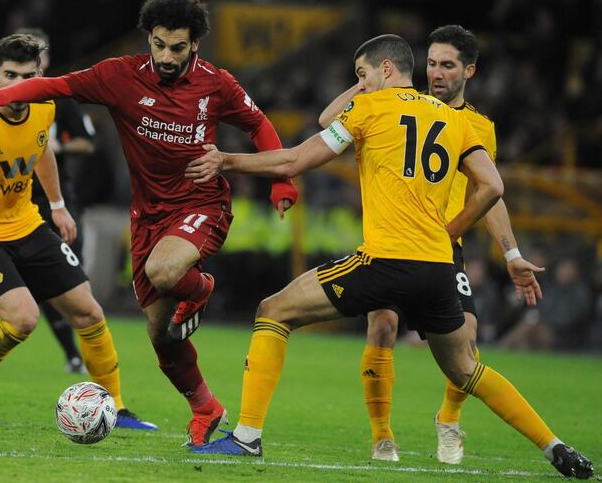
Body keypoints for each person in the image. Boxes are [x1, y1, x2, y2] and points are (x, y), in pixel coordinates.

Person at [184, 34, 594, 479]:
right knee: (465, 369)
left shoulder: (369, 110)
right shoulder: (456, 120)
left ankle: (246, 437)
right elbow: (493, 187)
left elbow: (294, 161)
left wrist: (227, 160)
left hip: (384, 261)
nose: (359, 85)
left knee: (273, 311)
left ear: (384, 70)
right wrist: (453, 231)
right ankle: (554, 446)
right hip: (439, 266)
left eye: (362, 75)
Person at [0, 0, 298, 446]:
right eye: (159, 44)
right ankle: (205, 408)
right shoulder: (119, 76)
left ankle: (201, 287)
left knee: (165, 271)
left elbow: (259, 125)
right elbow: (58, 85)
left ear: (196, 45)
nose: (167, 56)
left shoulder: (217, 83)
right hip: (148, 218)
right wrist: (2, 94)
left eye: (178, 47)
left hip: (201, 205)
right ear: (148, 38)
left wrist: (282, 180)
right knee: (163, 336)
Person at [317, 25, 547, 464]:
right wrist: (366, 79)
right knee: (381, 325)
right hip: (391, 239)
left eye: (447, 65)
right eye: (431, 63)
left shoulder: (476, 125)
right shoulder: (393, 102)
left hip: (442, 245)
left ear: (470, 71)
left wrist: (511, 253)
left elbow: (490, 191)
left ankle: (448, 421)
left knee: (469, 337)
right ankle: (382, 436)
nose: (436, 73)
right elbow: (329, 122)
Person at [0, 34, 155, 431]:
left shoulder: (44, 105)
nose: (18, 85)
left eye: (28, 76)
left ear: (39, 75)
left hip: (27, 223)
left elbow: (42, 149)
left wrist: (57, 206)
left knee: (89, 311)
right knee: (23, 320)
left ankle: (115, 407)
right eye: (10, 75)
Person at [17, 27, 95, 375]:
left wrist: (55, 146)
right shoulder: (0, 97)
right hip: (15, 202)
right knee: (41, 284)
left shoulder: (58, 99)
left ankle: (84, 353)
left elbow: (87, 142)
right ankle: (75, 355)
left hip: (57, 198)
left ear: (45, 60)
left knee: (71, 278)